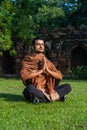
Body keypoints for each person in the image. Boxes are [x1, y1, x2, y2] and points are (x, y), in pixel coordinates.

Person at [20, 37, 71, 104]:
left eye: (42, 44)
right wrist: (40, 71)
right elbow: (24, 76)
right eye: (38, 44)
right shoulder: (27, 61)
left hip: (49, 89)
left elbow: (60, 76)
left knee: (67, 86)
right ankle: (56, 97)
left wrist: (47, 70)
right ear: (33, 47)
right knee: (28, 89)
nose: (41, 46)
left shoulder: (47, 62)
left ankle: (41, 99)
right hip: (36, 89)